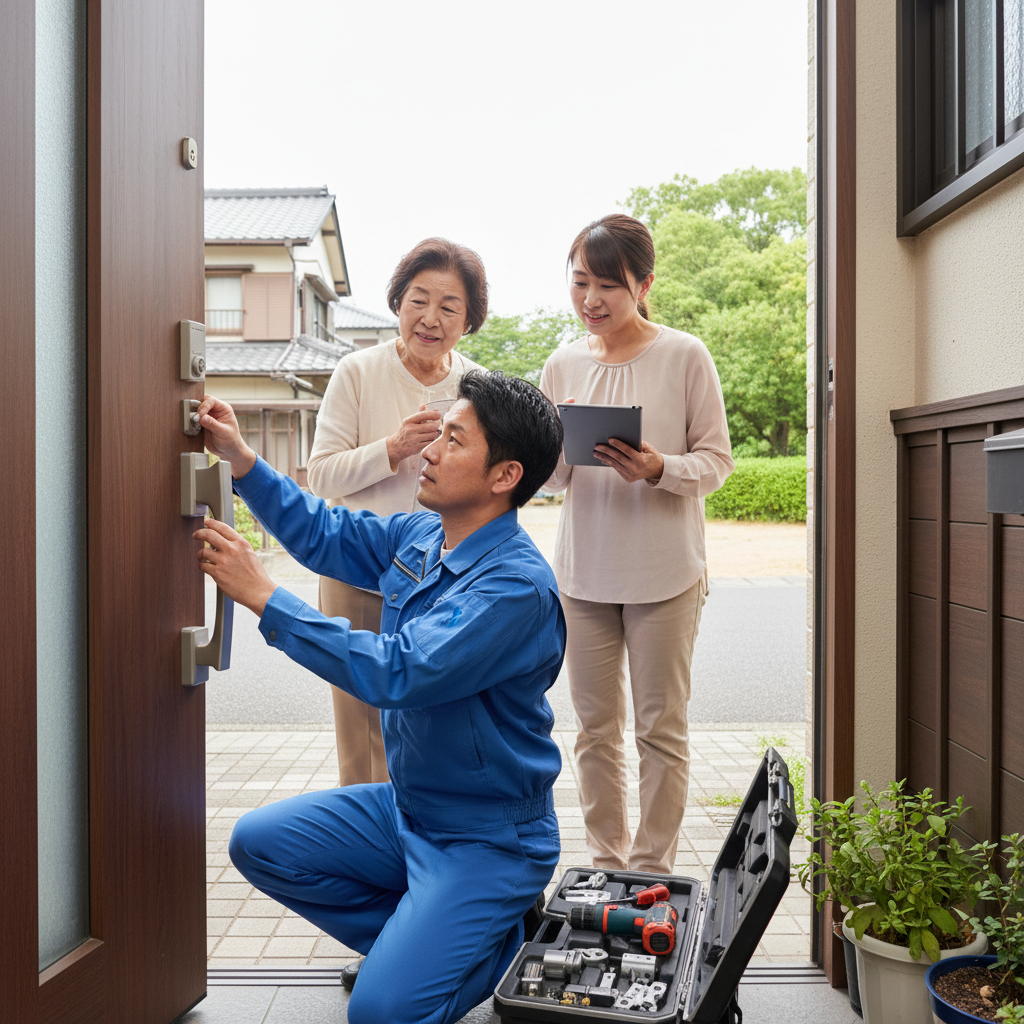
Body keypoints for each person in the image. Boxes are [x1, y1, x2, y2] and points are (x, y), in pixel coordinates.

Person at [193, 369, 565, 1024]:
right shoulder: (423, 535)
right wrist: (242, 461)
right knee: (258, 842)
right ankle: (444, 940)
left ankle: (485, 943)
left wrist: (263, 596)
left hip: (488, 837)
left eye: (453, 440)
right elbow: (326, 533)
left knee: (379, 1015)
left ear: (505, 476)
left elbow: (399, 672)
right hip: (409, 810)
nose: (428, 449)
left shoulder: (515, 588)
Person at [539, 213, 734, 876]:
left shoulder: (684, 355)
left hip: (666, 576)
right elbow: (551, 473)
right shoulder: (561, 362)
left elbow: (716, 460)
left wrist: (659, 469)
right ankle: (605, 863)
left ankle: (650, 872)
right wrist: (556, 458)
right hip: (583, 575)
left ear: (644, 284)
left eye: (608, 286)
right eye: (579, 283)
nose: (590, 300)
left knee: (660, 732)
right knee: (594, 733)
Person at [306, 238, 487, 788]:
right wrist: (392, 448)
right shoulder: (357, 372)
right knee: (361, 734)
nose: (430, 318)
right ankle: (365, 857)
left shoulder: (477, 385)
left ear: (468, 320)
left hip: (441, 580)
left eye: (448, 306)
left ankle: (419, 849)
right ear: (398, 303)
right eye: (418, 300)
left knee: (432, 727)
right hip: (359, 571)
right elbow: (321, 475)